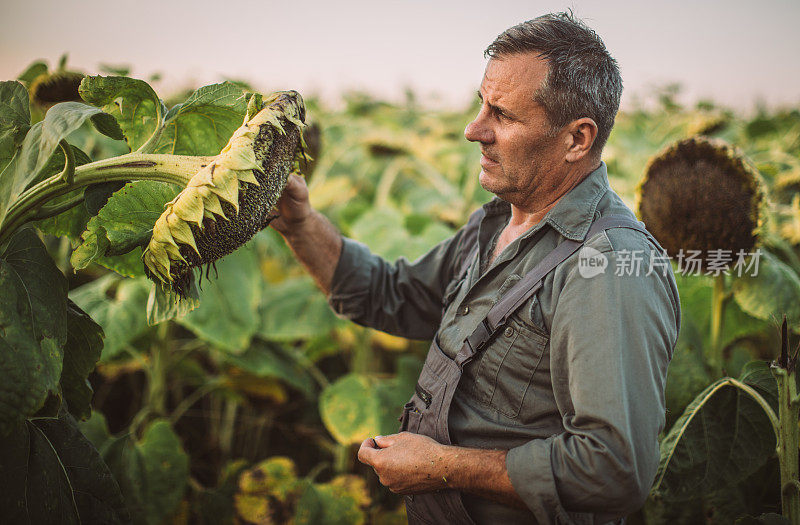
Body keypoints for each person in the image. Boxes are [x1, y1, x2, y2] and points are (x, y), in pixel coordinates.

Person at [271, 12, 680, 525]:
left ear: (577, 139)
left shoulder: (609, 267)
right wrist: (299, 224)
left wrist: (444, 467)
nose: (474, 129)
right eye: (480, 104)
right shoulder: (494, 225)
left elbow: (614, 470)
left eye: (503, 115)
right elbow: (390, 294)